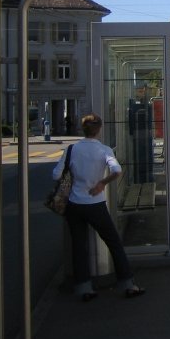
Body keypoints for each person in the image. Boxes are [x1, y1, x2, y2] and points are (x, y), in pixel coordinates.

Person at [52, 112, 145, 301]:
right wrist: (102, 183)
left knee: (78, 246)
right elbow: (117, 171)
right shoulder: (104, 150)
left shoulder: (71, 149)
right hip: (95, 204)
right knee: (114, 243)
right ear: (99, 130)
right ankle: (128, 284)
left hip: (74, 205)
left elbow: (55, 175)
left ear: (83, 129)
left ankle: (84, 288)